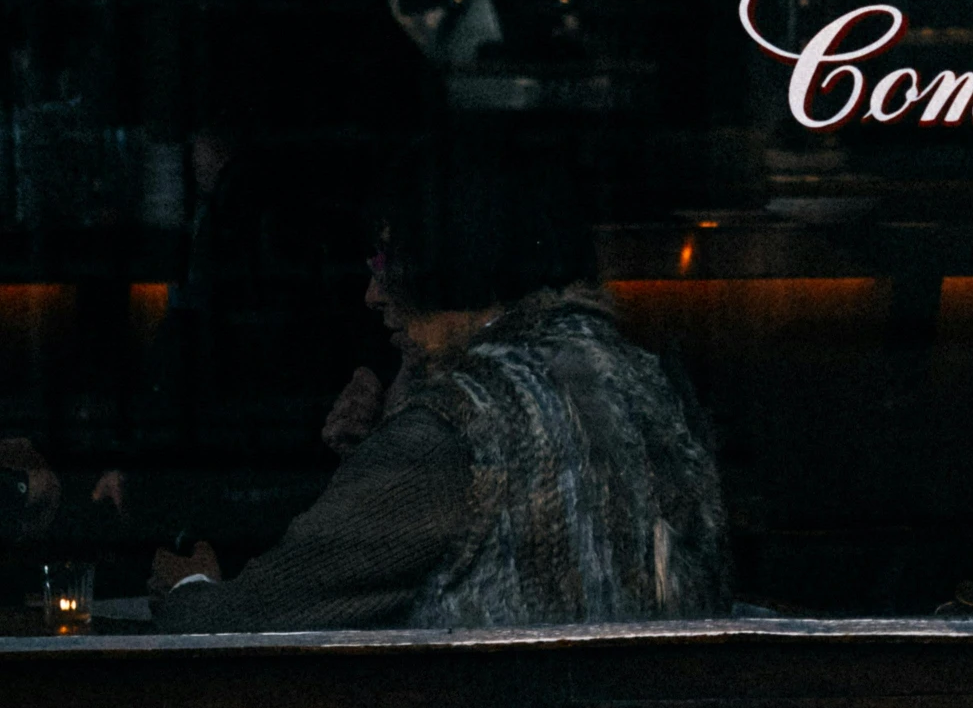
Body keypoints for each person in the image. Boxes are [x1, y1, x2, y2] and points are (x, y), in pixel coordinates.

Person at [152, 136, 728, 631]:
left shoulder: (450, 430)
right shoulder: (643, 382)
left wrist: (188, 587)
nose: (372, 294)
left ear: (442, 257)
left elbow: (244, 622)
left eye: (384, 261)